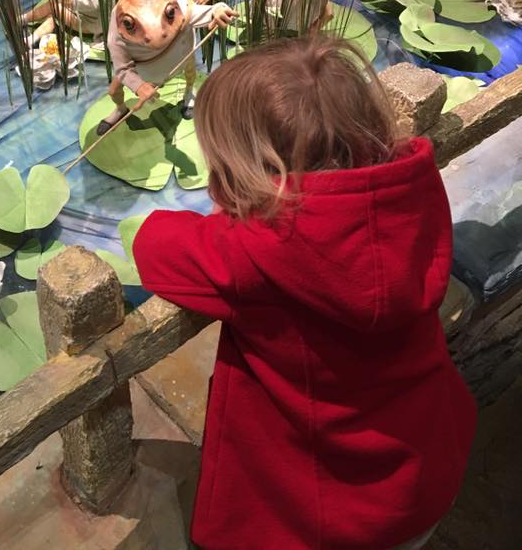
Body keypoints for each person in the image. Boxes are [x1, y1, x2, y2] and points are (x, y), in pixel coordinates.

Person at [133, 36, 477, 550]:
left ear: (247, 172)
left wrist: (235, 214)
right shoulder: (414, 199)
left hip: (324, 518)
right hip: (425, 473)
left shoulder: (253, 252)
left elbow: (152, 245)